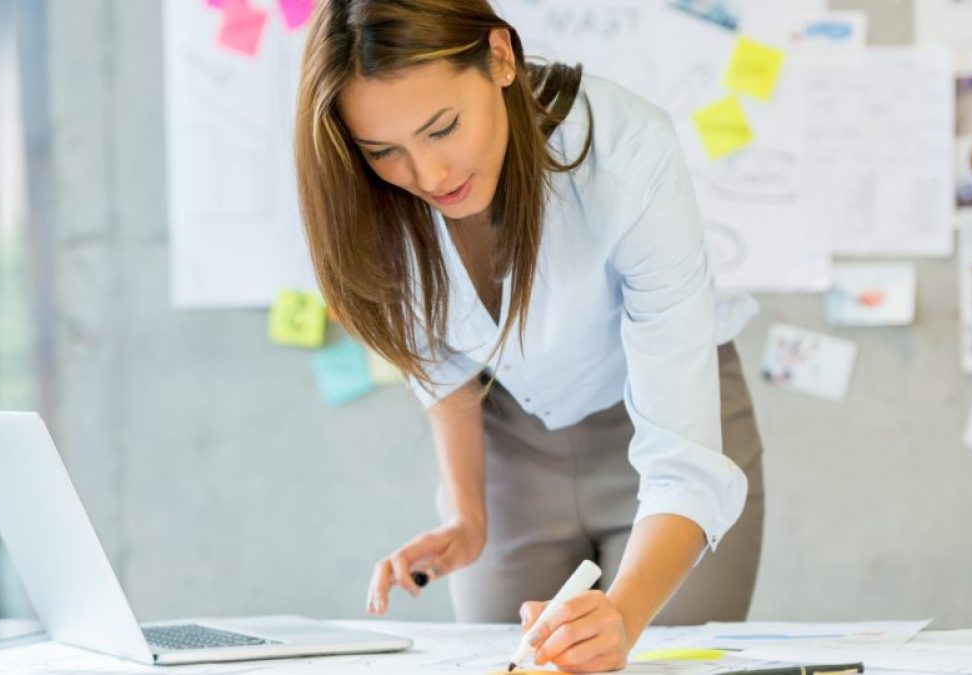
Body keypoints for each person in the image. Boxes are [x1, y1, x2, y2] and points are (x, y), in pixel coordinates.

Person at [293, 2, 764, 671]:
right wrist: (467, 516)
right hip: (513, 436)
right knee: (505, 661)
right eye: (385, 151)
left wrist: (623, 617)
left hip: (663, 416)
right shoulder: (368, 196)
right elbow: (441, 360)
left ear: (501, 58)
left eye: (443, 127)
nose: (428, 176)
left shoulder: (627, 154)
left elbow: (683, 456)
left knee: (654, 656)